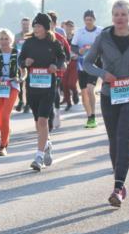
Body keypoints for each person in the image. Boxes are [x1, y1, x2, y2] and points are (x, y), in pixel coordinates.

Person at [82, 0, 129, 206]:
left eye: (124, 14)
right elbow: (86, 63)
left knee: (124, 138)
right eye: (116, 14)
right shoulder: (103, 37)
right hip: (109, 94)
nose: (120, 18)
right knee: (114, 140)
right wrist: (102, 73)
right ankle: (120, 182)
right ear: (112, 16)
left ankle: (117, 187)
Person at [20, 12, 67, 171]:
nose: (36, 28)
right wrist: (25, 62)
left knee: (43, 121)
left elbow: (62, 58)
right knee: (37, 123)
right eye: (35, 26)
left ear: (46, 28)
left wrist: (56, 65)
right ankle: (46, 144)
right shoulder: (29, 43)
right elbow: (20, 59)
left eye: (39, 26)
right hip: (32, 88)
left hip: (48, 87)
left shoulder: (53, 43)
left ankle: (38, 157)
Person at [71, 9, 103, 129]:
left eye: (90, 19)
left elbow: (106, 44)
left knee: (90, 89)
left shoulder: (100, 31)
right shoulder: (79, 32)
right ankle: (89, 116)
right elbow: (73, 46)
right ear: (84, 20)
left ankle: (93, 115)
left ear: (94, 20)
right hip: (81, 64)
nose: (88, 22)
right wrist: (79, 51)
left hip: (95, 64)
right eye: (86, 19)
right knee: (84, 91)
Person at [61, 19, 80, 109]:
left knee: (71, 84)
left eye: (71, 26)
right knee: (64, 84)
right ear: (65, 27)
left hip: (74, 62)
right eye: (67, 26)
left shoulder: (76, 38)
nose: (69, 28)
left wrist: (78, 55)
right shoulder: (62, 38)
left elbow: (81, 50)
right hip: (65, 63)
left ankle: (75, 92)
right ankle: (68, 103)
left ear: (73, 28)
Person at [15, 17, 32, 113]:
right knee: (20, 83)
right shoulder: (17, 36)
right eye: (23, 24)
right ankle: (21, 101)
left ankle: (28, 104)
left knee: (28, 85)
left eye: (26, 24)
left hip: (30, 63)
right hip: (19, 62)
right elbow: (12, 48)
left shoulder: (32, 36)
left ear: (29, 25)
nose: (25, 26)